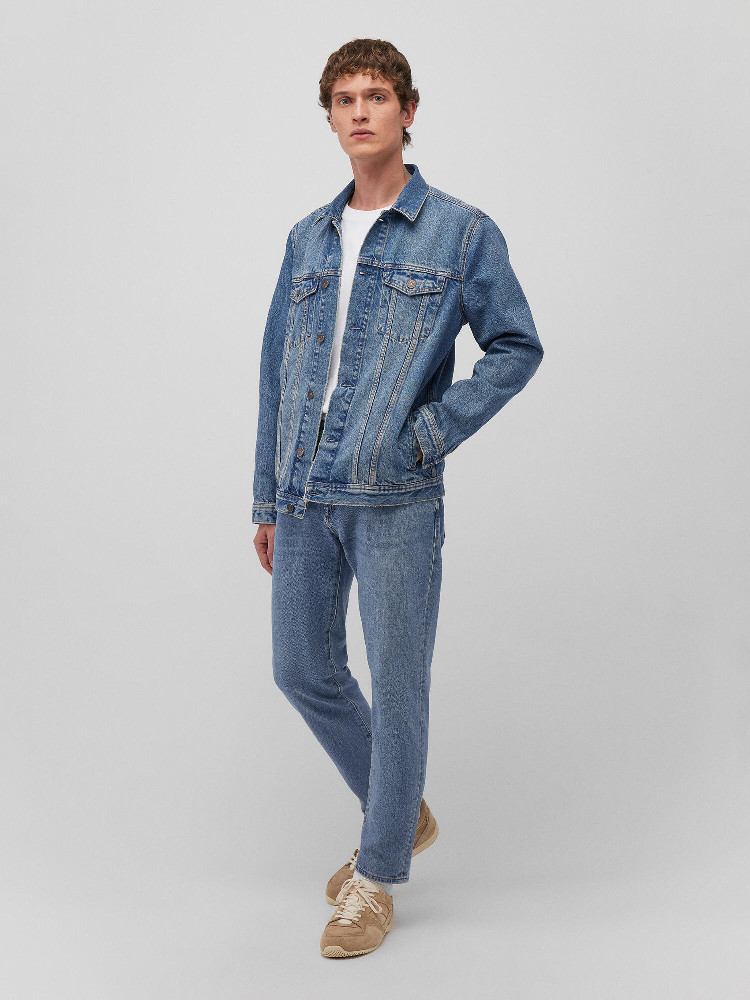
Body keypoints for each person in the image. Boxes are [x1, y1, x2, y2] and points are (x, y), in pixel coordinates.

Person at [251, 38, 543, 958]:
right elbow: (276, 371)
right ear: (331, 118)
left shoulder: (460, 232)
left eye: (376, 96)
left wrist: (426, 433)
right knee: (300, 666)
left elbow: (516, 346)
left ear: (408, 112)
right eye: (344, 99)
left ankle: (376, 878)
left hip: (394, 496)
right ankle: (401, 812)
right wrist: (266, 497)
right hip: (304, 492)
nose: (360, 112)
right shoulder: (307, 236)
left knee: (398, 682)